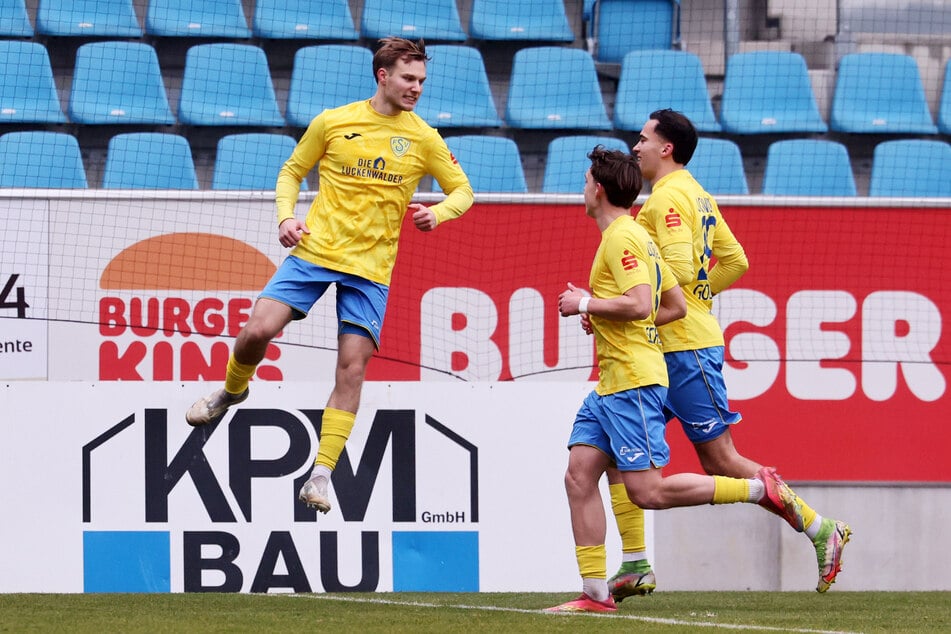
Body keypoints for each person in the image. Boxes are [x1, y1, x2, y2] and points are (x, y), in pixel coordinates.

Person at [185, 37, 474, 515]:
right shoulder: (334, 121)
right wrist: (285, 217)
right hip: (315, 251)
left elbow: (463, 191)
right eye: (409, 78)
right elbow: (291, 171)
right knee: (256, 330)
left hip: (370, 269)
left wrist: (438, 213)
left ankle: (321, 474)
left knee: (351, 368)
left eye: (422, 80)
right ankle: (232, 390)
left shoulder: (424, 137)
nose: (417, 88)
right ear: (383, 75)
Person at [603, 108, 851, 600]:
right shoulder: (698, 193)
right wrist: (699, 296)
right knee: (615, 449)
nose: (636, 146)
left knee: (720, 460)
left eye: (644, 138)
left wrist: (671, 301)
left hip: (684, 348)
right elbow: (735, 261)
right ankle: (635, 563)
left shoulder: (668, 199)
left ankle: (821, 528)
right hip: (667, 346)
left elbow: (676, 266)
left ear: (666, 148)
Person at [545, 146, 805, 614]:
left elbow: (640, 303)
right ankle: (596, 595)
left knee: (648, 492)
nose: (582, 189)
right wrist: (602, 316)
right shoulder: (637, 236)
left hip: (633, 383)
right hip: (611, 384)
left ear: (598, 190)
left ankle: (756, 488)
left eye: (585, 181)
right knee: (579, 474)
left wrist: (584, 304)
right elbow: (675, 305)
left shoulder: (623, 238)